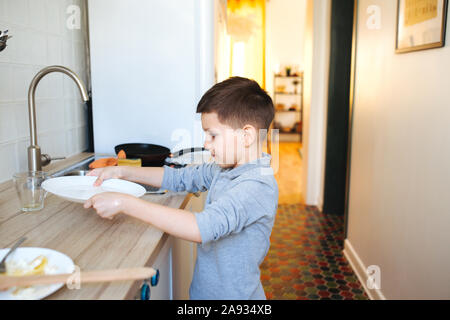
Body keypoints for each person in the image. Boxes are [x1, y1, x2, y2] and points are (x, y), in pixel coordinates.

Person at [84, 77, 279, 299]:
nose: (206, 143)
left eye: (212, 135)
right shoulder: (225, 169)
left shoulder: (256, 186)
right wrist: (123, 172)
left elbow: (200, 228)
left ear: (246, 136)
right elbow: (179, 177)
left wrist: (125, 203)